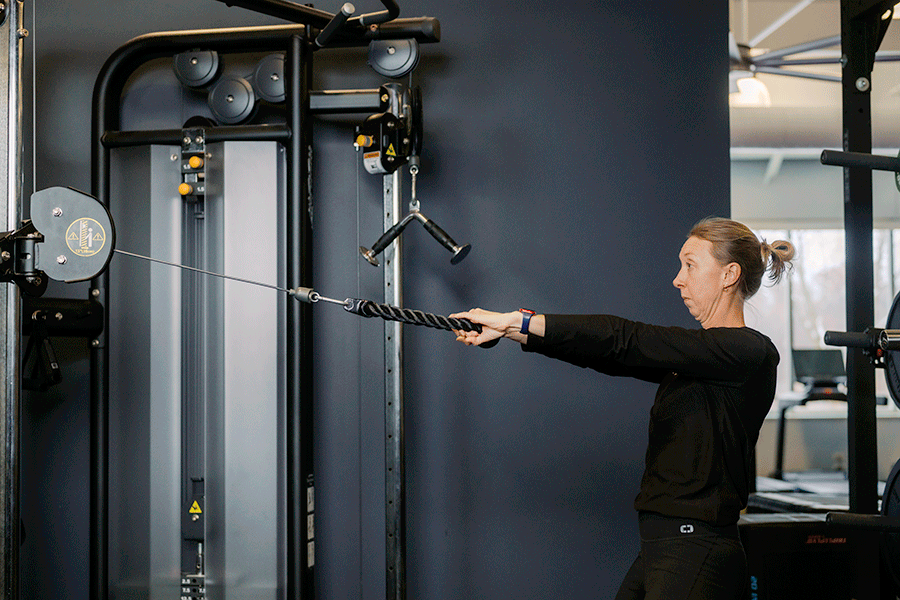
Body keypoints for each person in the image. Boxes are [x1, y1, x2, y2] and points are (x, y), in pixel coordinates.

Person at [451, 217, 795, 600]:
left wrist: (523, 319)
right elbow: (613, 354)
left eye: (690, 265)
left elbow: (627, 338)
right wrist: (513, 331)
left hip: (697, 546)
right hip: (663, 545)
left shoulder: (748, 352)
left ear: (729, 274)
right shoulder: (700, 359)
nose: (678, 279)